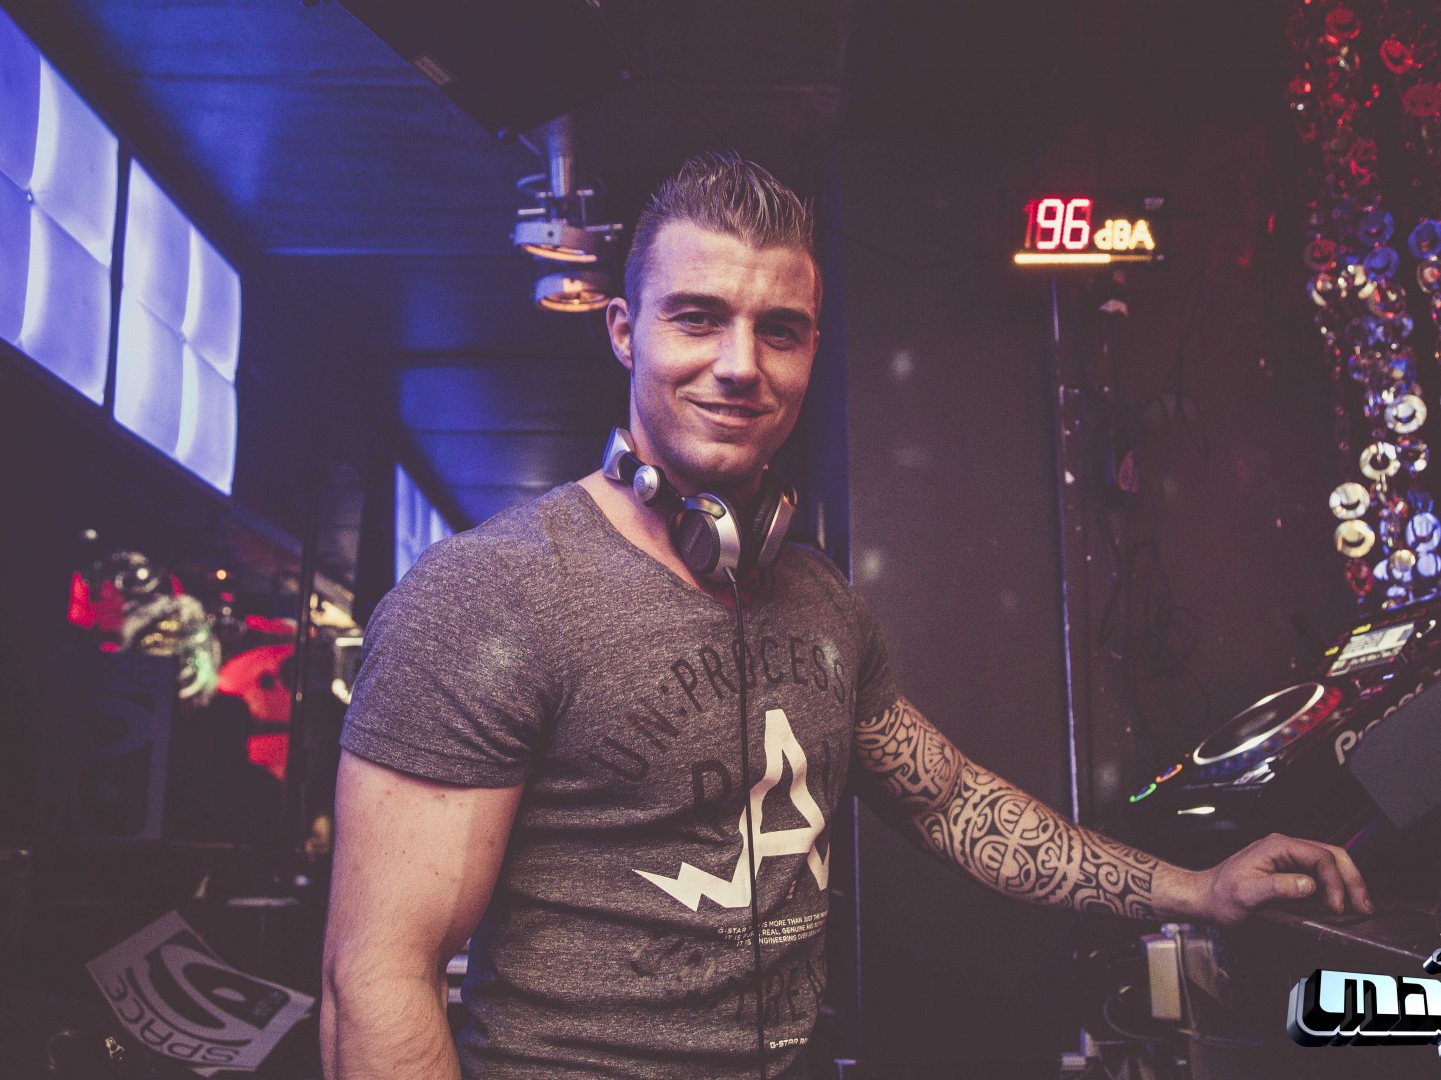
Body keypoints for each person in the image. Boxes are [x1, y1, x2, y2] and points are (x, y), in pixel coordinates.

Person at [320, 153, 1370, 1079]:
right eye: (697, 317)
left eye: (779, 331)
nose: (741, 365)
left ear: (812, 350)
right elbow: (375, 979)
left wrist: (1196, 890)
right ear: (624, 331)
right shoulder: (489, 596)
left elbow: (952, 802)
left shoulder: (818, 599)